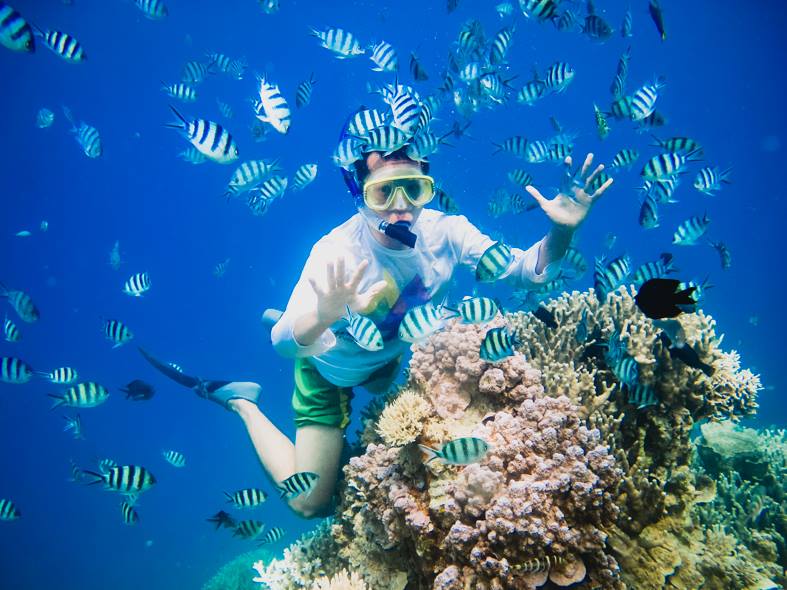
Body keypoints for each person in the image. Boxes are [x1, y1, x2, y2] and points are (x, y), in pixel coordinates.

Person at [144, 111, 613, 519]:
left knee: (376, 375)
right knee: (309, 504)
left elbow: (525, 271)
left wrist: (560, 233)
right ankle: (239, 401)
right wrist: (324, 314)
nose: (402, 206)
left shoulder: (448, 231)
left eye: (414, 189)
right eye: (383, 194)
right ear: (358, 194)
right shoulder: (334, 252)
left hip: (386, 358)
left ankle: (295, 317)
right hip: (326, 371)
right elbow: (284, 347)